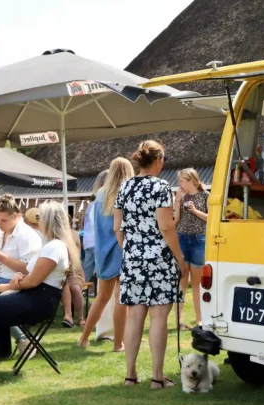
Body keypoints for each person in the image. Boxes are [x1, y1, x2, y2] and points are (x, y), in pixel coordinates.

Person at [0, 201, 80, 385]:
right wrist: (17, 280)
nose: (38, 221)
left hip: (39, 301)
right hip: (34, 295)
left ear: (48, 221)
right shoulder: (51, 245)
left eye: (40, 218)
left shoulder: (54, 246)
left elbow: (33, 281)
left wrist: (12, 285)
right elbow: (31, 276)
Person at [116, 141, 186, 389]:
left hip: (132, 258)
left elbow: (118, 227)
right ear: (158, 160)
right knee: (158, 317)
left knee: (135, 316)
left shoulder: (124, 187)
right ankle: (157, 377)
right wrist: (180, 258)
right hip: (159, 259)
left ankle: (130, 375)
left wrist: (130, 251)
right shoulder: (161, 186)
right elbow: (166, 226)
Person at [78, 158, 134, 350]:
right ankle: (119, 343)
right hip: (122, 248)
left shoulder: (100, 194)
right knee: (121, 298)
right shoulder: (127, 193)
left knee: (101, 298)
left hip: (103, 251)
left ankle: (84, 338)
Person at [174, 169, 209, 330]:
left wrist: (195, 211)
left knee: (197, 283)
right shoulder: (180, 197)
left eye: (181, 181)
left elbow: (211, 219)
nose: (179, 184)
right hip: (182, 238)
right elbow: (176, 220)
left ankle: (199, 320)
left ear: (191, 180)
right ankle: (178, 320)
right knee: (182, 281)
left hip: (199, 240)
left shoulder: (205, 195)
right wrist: (177, 201)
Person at [81, 171, 108, 283]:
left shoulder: (90, 205)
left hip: (87, 241)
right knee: (101, 271)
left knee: (87, 270)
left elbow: (85, 223)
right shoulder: (100, 204)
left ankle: (81, 292)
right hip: (96, 241)